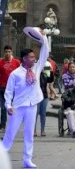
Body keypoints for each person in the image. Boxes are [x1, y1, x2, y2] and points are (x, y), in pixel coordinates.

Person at [2, 34, 49, 168]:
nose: (34, 59)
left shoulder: (36, 68)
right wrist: (8, 105)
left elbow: (45, 52)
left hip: (32, 105)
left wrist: (44, 37)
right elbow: (9, 91)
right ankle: (1, 156)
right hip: (17, 107)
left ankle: (27, 160)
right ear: (24, 59)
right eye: (31, 57)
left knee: (29, 134)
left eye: (34, 57)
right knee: (10, 134)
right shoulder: (15, 73)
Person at [0, 45, 21, 132]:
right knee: (4, 107)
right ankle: (3, 126)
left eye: (9, 52)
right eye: (6, 52)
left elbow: (21, 74)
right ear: (4, 52)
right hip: (2, 87)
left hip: (13, 89)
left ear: (11, 52)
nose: (7, 53)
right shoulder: (1, 62)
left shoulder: (16, 62)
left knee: (14, 107)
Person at [34, 69, 54, 137]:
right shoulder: (35, 73)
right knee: (36, 113)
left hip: (44, 96)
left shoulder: (45, 74)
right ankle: (34, 130)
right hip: (36, 96)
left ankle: (43, 130)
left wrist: (51, 72)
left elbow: (50, 80)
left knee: (43, 113)